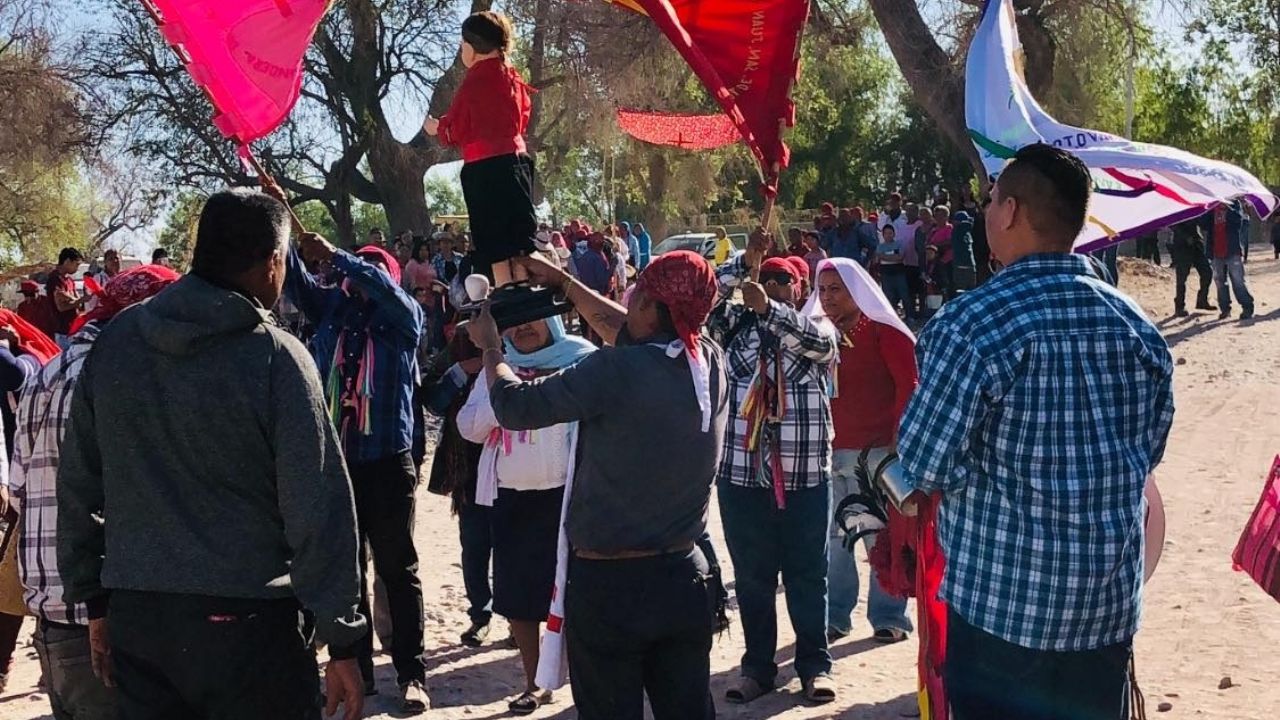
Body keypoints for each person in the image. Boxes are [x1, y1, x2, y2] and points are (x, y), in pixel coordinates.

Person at [56, 188, 367, 720]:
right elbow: (317, 507)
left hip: (139, 616)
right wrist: (342, 639)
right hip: (248, 625)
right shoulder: (277, 358)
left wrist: (95, 602)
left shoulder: (118, 343)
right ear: (273, 262)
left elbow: (78, 484)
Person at [899, 144, 1174, 720]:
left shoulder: (971, 323)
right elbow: (1146, 454)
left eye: (991, 199)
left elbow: (924, 463)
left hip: (1003, 614)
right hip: (1105, 615)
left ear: (1010, 212)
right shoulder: (1137, 328)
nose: (985, 210)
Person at [469, 250, 728, 720]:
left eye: (639, 298)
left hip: (611, 588)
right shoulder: (709, 361)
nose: (630, 307)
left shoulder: (615, 371)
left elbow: (515, 407)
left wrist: (490, 349)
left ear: (651, 307)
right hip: (683, 578)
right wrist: (564, 282)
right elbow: (629, 332)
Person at [279, 187, 429, 711]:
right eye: (351, 273)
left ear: (386, 278)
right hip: (338, 464)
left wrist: (340, 255)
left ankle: (412, 674)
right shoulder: (335, 317)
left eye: (371, 270)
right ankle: (359, 673)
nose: (356, 279)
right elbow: (297, 281)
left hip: (388, 463)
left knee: (398, 568)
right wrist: (288, 230)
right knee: (349, 574)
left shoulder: (402, 324)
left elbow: (388, 293)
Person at [9, 266, 178, 720]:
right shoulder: (123, 375)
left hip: (53, 610)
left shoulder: (45, 374)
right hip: (110, 616)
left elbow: (21, 491)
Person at [713, 238, 839, 705]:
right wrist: (740, 265)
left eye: (782, 279)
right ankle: (757, 669)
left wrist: (770, 310)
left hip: (805, 476)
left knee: (808, 574)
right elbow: (704, 303)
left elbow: (819, 347)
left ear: (798, 287)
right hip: (743, 477)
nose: (771, 285)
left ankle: (814, 666)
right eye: (764, 278)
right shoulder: (730, 327)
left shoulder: (815, 325)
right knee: (751, 577)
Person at [457, 316, 594, 715]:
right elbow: (469, 427)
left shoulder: (581, 360)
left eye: (531, 319)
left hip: (567, 497)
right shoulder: (497, 366)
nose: (523, 329)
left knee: (574, 593)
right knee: (519, 596)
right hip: (512, 497)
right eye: (514, 324)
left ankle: (584, 679)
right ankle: (535, 682)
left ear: (552, 321)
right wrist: (504, 394)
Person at [817, 257, 917, 644]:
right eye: (822, 291)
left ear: (857, 291)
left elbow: (909, 386)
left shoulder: (884, 332)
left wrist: (897, 440)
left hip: (877, 453)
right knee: (836, 538)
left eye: (836, 290)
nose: (827, 299)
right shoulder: (817, 335)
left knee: (879, 536)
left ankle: (888, 615)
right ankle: (836, 616)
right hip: (830, 451)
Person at [425, 11, 537, 293]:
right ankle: (525, 287)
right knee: (518, 235)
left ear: (472, 48)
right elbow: (524, 116)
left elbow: (459, 127)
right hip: (517, 160)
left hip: (485, 167)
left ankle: (506, 291)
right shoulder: (512, 77)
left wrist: (438, 128)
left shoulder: (474, 81)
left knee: (494, 240)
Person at [421, 328, 493, 648]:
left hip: (516, 463)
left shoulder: (522, 337)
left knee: (514, 547)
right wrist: (461, 372)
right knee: (475, 545)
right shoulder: (460, 344)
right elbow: (433, 401)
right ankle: (481, 615)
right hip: (468, 468)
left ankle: (520, 620)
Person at [1201, 201, 1256, 320]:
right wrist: (1207, 209)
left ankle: (1247, 307)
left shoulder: (1234, 205)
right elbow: (1203, 225)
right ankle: (1225, 309)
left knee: (1238, 281)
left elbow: (1238, 222)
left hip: (1232, 251)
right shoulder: (1211, 207)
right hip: (1215, 251)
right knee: (1220, 282)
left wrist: (1227, 208)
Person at [1167, 222, 1215, 317]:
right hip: (1182, 246)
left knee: (1207, 272)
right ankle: (1179, 306)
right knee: (1182, 278)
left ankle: (1202, 300)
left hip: (1196, 243)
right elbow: (1172, 223)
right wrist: (1185, 236)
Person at [47, 248, 87, 346]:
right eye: (76, 264)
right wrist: (78, 300)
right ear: (68, 261)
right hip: (63, 332)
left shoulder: (69, 281)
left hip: (74, 329)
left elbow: (78, 303)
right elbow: (61, 307)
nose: (77, 268)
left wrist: (71, 299)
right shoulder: (55, 279)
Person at [875, 224, 909, 316]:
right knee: (889, 296)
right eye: (886, 233)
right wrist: (893, 257)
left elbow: (900, 257)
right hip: (886, 273)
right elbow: (878, 257)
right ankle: (892, 316)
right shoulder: (880, 246)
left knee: (904, 294)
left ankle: (909, 316)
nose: (888, 235)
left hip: (899, 272)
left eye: (890, 233)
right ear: (883, 235)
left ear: (894, 234)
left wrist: (885, 256)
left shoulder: (899, 244)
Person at [901, 203, 925, 320]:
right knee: (909, 290)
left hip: (918, 262)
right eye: (907, 211)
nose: (909, 213)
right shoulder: (903, 225)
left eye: (912, 210)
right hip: (906, 262)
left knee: (920, 290)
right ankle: (911, 313)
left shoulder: (920, 225)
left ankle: (921, 313)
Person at [926, 206, 953, 297]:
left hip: (946, 262)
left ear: (946, 217)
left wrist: (936, 246)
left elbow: (949, 242)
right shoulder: (933, 230)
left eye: (941, 216)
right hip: (934, 263)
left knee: (946, 288)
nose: (938, 219)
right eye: (936, 216)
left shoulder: (949, 228)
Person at [950, 211, 977, 294]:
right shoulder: (960, 230)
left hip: (965, 265)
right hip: (963, 266)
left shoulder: (963, 232)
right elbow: (968, 224)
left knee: (966, 292)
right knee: (964, 292)